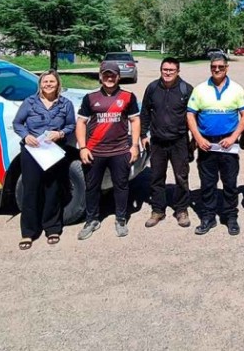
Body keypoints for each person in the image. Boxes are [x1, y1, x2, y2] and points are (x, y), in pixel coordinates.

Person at [187, 53, 244, 236]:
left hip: (228, 143)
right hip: (207, 142)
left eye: (220, 67)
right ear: (210, 68)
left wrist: (234, 137)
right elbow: (190, 115)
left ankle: (230, 216)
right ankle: (208, 217)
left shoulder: (237, 89)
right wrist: (198, 138)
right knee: (208, 183)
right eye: (213, 67)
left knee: (230, 183)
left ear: (226, 68)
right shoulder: (200, 89)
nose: (217, 70)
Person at [75, 61, 141, 240]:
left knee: (121, 186)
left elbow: (135, 121)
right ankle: (91, 220)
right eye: (106, 74)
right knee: (92, 187)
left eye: (113, 75)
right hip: (95, 151)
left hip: (120, 150)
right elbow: (81, 123)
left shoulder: (128, 97)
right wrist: (83, 147)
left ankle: (121, 219)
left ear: (119, 77)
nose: (109, 78)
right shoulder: (90, 97)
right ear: (100, 76)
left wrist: (134, 146)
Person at [13, 70, 76, 250]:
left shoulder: (66, 104)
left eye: (52, 82)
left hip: (53, 150)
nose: (48, 84)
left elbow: (71, 124)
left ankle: (52, 227)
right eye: (45, 82)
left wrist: (60, 133)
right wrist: (25, 136)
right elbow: (18, 123)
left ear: (58, 85)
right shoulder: (29, 102)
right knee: (31, 189)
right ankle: (29, 231)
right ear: (40, 84)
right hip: (32, 151)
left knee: (53, 188)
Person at [140, 57, 194, 228]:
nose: (168, 73)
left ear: (178, 71)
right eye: (165, 69)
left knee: (181, 176)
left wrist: (195, 139)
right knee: (156, 176)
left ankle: (181, 209)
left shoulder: (186, 89)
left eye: (171, 70)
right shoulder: (153, 88)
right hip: (157, 141)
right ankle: (158, 210)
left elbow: (194, 116)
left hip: (179, 141)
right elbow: (145, 112)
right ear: (161, 70)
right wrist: (143, 134)